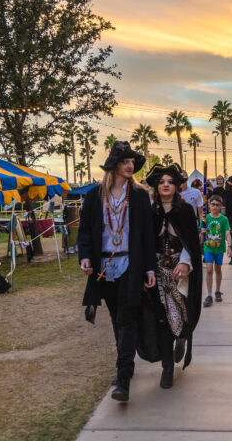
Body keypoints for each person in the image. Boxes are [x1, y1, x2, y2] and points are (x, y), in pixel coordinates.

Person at [79, 141, 156, 403]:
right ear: (114, 165)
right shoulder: (93, 197)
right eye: (125, 161)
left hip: (130, 266)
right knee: (115, 317)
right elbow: (86, 232)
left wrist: (148, 267)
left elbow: (147, 235)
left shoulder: (140, 196)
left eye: (132, 162)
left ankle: (123, 378)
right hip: (104, 267)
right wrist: (86, 257)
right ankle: (126, 366)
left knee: (126, 319)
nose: (130, 166)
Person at [145, 163, 203, 388]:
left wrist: (186, 264)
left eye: (170, 182)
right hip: (158, 272)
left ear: (177, 186)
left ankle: (182, 338)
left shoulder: (185, 210)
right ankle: (167, 367)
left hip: (181, 272)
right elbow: (146, 243)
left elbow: (191, 242)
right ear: (156, 187)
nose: (166, 185)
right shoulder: (151, 212)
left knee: (181, 315)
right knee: (162, 318)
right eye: (162, 182)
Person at [201, 195, 231, 307]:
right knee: (209, 269)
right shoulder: (205, 218)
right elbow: (200, 236)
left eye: (217, 205)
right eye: (212, 204)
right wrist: (202, 231)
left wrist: (230, 246)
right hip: (208, 247)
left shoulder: (224, 219)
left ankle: (217, 290)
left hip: (219, 248)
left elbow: (227, 232)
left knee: (218, 270)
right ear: (209, 205)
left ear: (220, 206)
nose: (215, 206)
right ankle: (209, 295)